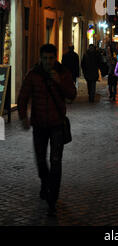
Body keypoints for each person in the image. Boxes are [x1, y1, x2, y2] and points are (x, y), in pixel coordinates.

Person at [17, 44, 76, 216]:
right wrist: (23, 117)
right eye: (44, 58)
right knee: (41, 161)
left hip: (57, 124)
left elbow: (72, 94)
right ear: (40, 58)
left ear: (55, 58)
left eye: (51, 58)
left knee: (56, 162)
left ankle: (52, 199)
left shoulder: (63, 73)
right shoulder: (33, 75)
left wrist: (59, 82)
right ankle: (45, 181)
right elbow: (22, 97)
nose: (48, 62)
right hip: (39, 125)